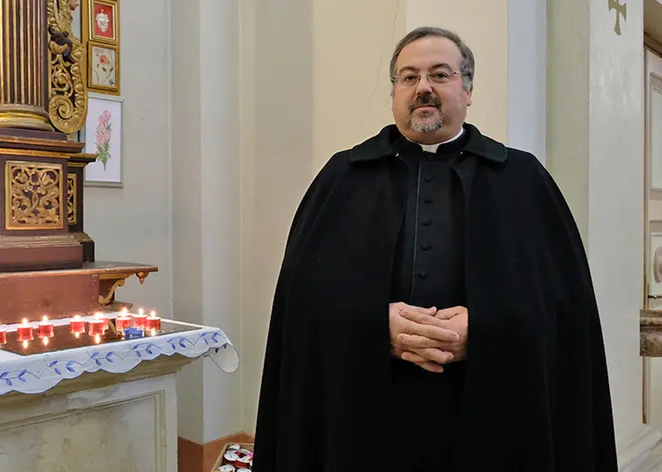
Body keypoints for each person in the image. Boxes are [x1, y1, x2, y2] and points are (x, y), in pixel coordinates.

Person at [252, 26, 617, 471]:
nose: (422, 87)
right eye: (408, 77)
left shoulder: (522, 180)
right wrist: (375, 325)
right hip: (367, 410)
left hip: (490, 410)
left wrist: (485, 330)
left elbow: (564, 309)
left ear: (467, 90)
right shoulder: (342, 178)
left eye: (439, 74)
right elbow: (301, 303)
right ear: (394, 95)